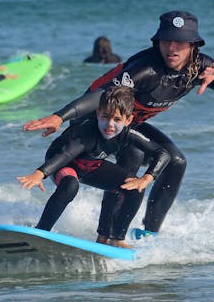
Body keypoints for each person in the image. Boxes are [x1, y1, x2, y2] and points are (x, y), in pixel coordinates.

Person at [24, 10, 214, 244]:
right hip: (97, 122)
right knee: (130, 159)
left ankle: (148, 234)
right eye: (167, 40)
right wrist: (60, 117)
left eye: (180, 42)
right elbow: (102, 96)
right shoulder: (146, 69)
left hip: (128, 125)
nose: (172, 48)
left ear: (193, 45)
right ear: (158, 42)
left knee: (176, 162)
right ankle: (107, 236)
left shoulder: (200, 68)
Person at [17, 85, 170, 248]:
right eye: (105, 117)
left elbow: (163, 153)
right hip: (63, 162)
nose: (109, 124)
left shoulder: (127, 134)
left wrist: (147, 178)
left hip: (90, 165)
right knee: (70, 186)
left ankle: (114, 238)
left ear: (128, 120)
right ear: (98, 113)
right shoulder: (87, 133)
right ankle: (42, 232)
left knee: (135, 187)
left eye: (117, 119)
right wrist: (40, 173)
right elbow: (66, 155)